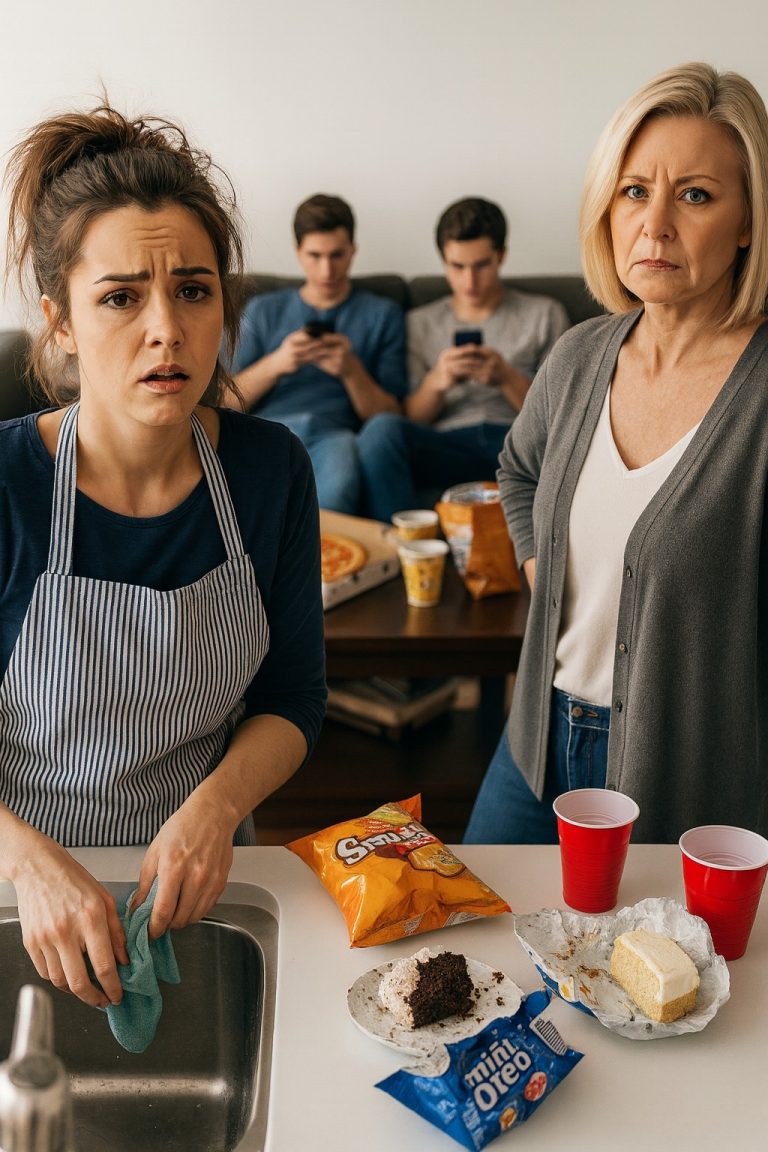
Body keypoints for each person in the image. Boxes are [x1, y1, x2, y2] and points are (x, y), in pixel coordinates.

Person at [0, 104, 326, 1008]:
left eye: (193, 289)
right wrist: (29, 865)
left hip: (201, 888)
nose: (166, 331)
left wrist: (215, 811)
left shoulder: (269, 471)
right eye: (118, 297)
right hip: (20, 892)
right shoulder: (6, 486)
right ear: (59, 322)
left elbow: (293, 699)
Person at [464, 62, 768, 846]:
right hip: (534, 740)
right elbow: (519, 471)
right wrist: (542, 567)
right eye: (634, 190)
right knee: (477, 956)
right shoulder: (578, 354)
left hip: (687, 782)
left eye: (694, 195)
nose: (654, 224)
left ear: (749, 220)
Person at [357, 197, 569, 522]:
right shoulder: (419, 323)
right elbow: (411, 416)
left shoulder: (544, 314)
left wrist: (505, 377)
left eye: (481, 265)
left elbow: (560, 419)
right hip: (446, 443)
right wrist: (437, 383)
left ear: (501, 256)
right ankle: (403, 552)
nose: (469, 281)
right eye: (457, 267)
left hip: (515, 440)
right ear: (443, 262)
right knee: (381, 430)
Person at [226, 194, 406, 513]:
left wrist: (351, 371)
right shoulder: (263, 309)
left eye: (337, 255)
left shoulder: (382, 314)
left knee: (333, 500)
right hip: (268, 431)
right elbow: (224, 402)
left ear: (353, 251)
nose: (327, 269)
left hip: (335, 436)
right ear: (298, 254)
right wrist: (278, 363)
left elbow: (387, 418)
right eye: (315, 255)